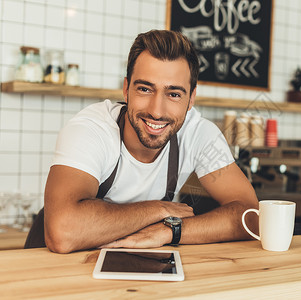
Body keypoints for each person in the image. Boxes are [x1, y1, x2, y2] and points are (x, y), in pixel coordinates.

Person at [44, 30, 259, 254]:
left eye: (174, 94)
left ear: (191, 98)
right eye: (145, 89)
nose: (156, 111)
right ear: (126, 89)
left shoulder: (199, 133)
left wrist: (172, 231)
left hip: (145, 261)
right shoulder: (91, 130)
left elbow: (251, 216)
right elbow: (63, 232)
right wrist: (159, 209)